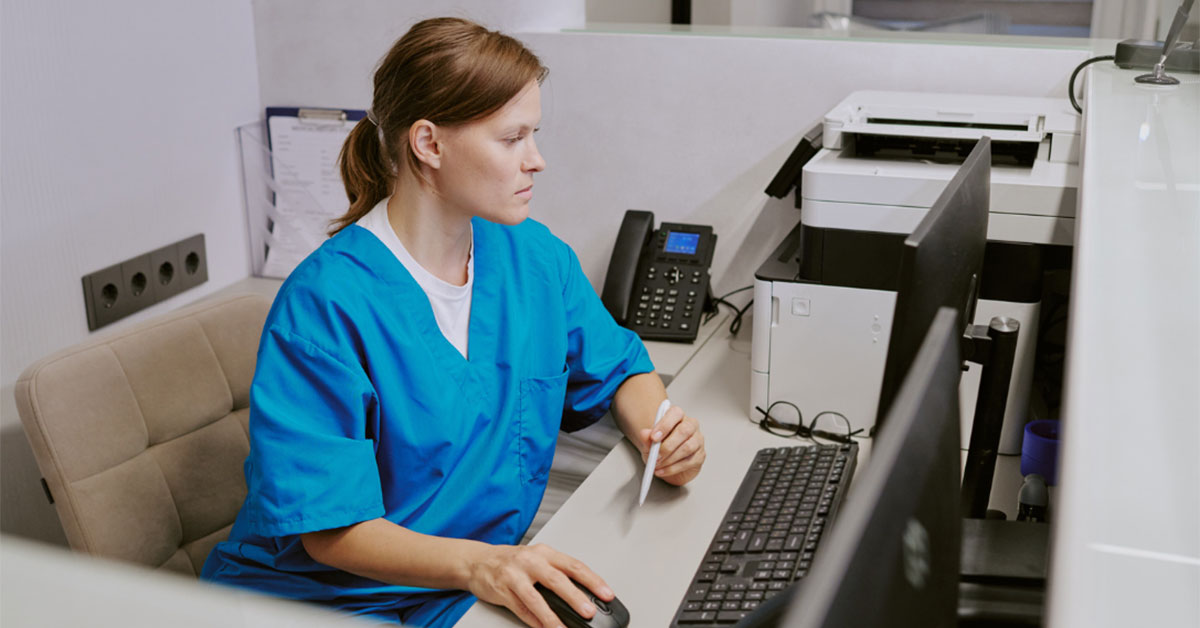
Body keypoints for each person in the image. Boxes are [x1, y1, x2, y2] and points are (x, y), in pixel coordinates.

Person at [202, 17, 706, 628]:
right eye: (512, 138)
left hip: (467, 584)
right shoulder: (325, 307)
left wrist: (661, 433)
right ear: (429, 144)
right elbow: (332, 534)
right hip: (329, 599)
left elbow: (621, 367)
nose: (537, 160)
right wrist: (481, 567)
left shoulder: (534, 259)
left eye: (534, 135)